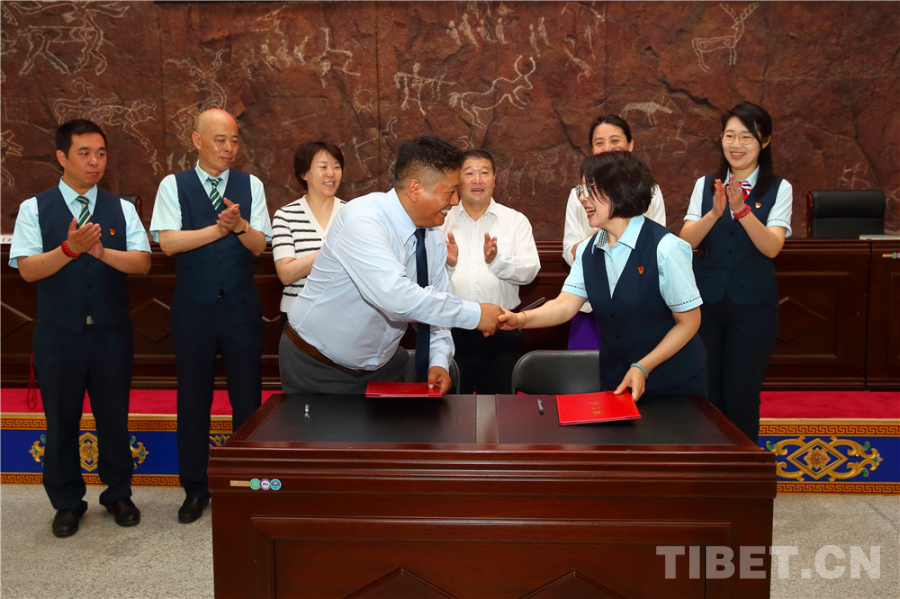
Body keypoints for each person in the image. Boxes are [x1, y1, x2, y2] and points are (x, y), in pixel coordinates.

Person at [8, 119, 151, 537]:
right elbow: (28, 269)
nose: (94, 161)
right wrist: (69, 249)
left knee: (114, 417)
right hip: (59, 335)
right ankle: (67, 503)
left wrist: (102, 252)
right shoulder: (35, 208)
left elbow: (142, 262)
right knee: (62, 420)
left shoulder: (121, 208)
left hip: (111, 333)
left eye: (101, 153)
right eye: (84, 153)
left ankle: (118, 494)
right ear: (62, 157)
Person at [280, 136, 504, 396]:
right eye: (450, 191)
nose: (455, 201)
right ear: (415, 189)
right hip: (318, 366)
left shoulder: (432, 235)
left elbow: (435, 305)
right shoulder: (362, 219)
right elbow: (395, 297)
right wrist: (475, 315)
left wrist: (438, 361)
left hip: (383, 368)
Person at [500, 151, 706, 400]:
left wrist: (643, 366)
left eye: (591, 189)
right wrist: (519, 319)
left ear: (621, 189)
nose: (582, 198)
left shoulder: (667, 248)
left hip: (673, 384)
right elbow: (565, 305)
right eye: (581, 189)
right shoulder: (587, 250)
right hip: (615, 381)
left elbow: (689, 322)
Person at [150, 108, 272, 524]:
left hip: (240, 308)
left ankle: (245, 486)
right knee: (193, 399)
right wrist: (218, 230)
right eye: (220, 140)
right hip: (194, 309)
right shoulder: (174, 185)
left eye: (234, 140)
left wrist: (239, 227)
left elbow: (259, 245)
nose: (229, 148)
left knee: (247, 400)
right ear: (196, 140)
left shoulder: (251, 185)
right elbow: (169, 243)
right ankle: (195, 488)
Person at [679, 101, 792, 443]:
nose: (736, 145)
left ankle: (743, 471)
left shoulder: (779, 188)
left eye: (746, 137)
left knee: (741, 396)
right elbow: (685, 241)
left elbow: (772, 247)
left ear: (765, 141)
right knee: (706, 394)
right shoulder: (705, 184)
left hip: (753, 308)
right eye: (729, 136)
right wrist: (714, 214)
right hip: (707, 304)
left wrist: (742, 211)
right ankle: (708, 468)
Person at [562, 115, 667, 351]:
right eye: (599, 143)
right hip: (589, 306)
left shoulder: (651, 193)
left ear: (631, 145)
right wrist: (602, 239)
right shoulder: (579, 195)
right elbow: (570, 253)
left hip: (638, 310)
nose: (607, 148)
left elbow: (654, 248)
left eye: (615, 141)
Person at [441, 149, 540, 393]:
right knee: (451, 406)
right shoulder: (440, 221)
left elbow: (530, 271)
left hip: (502, 329)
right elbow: (423, 282)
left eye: (484, 173)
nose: (477, 180)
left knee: (499, 406)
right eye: (469, 173)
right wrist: (448, 265)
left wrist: (496, 262)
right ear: (457, 179)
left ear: (495, 178)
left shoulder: (515, 221)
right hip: (452, 329)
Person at [272, 141, 346, 325]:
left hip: (345, 314)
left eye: (336, 167)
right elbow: (286, 274)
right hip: (298, 315)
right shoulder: (285, 216)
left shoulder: (352, 214)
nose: (331, 173)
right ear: (304, 174)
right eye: (323, 167)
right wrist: (330, 250)